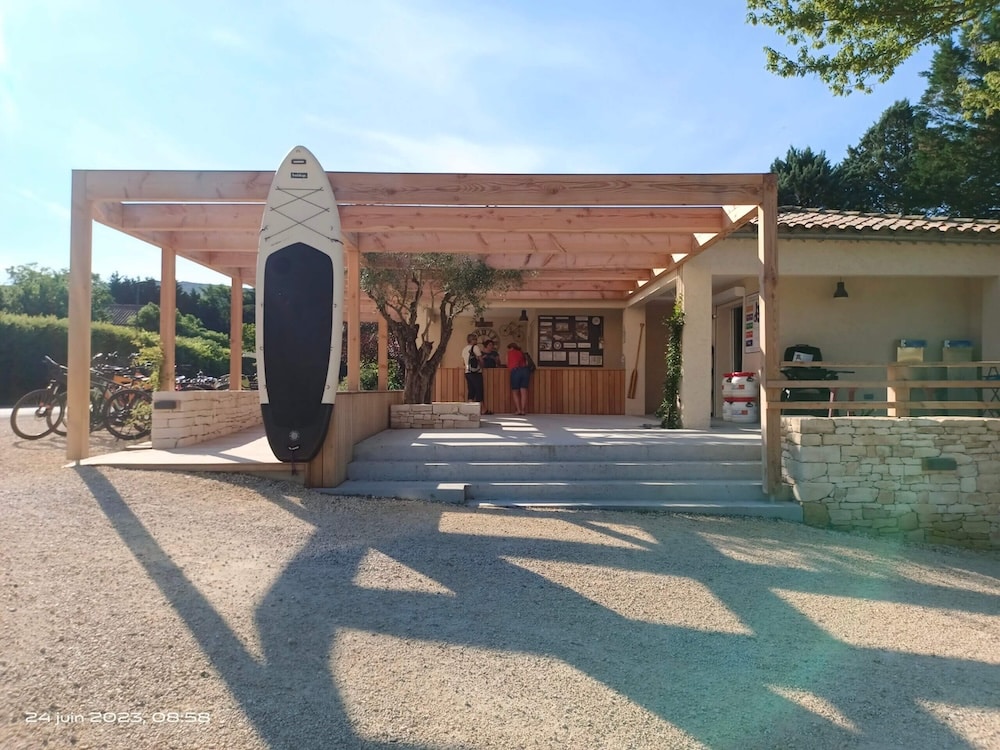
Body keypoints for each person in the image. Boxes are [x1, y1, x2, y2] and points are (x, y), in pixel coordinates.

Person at [461, 333, 489, 414]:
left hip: (467, 372)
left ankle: (470, 410)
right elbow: (481, 360)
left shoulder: (464, 349)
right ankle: (483, 409)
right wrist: (483, 365)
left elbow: (463, 362)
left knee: (471, 391)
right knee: (479, 390)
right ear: (472, 340)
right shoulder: (475, 347)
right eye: (475, 339)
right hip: (476, 372)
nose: (476, 341)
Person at [506, 342, 530, 416]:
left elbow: (507, 363)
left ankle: (518, 410)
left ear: (511, 348)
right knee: (523, 391)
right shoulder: (521, 353)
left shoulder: (509, 353)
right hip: (525, 371)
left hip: (515, 371)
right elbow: (526, 363)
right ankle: (523, 410)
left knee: (515, 392)